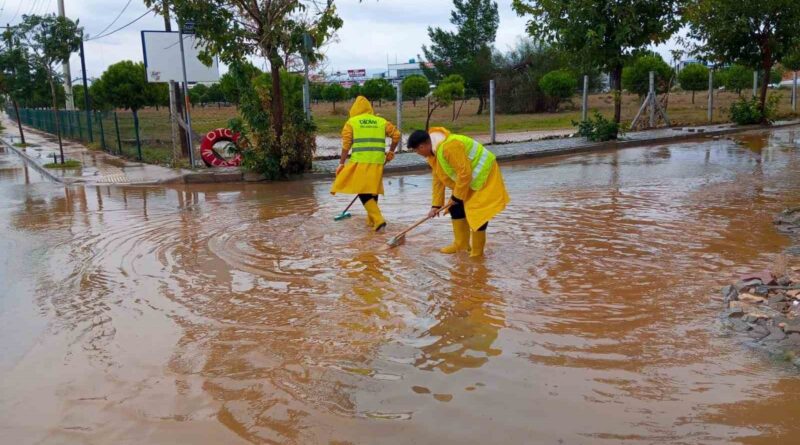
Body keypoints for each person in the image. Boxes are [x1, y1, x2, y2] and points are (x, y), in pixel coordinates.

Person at [406, 127, 509, 257]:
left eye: (416, 150)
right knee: (455, 208)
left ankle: (477, 253)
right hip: (468, 182)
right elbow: (438, 179)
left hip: (485, 176)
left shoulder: (450, 147)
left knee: (478, 215)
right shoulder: (433, 154)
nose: (417, 153)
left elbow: (464, 173)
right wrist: (436, 205)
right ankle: (461, 245)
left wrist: (457, 196)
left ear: (423, 146)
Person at [331, 95, 401, 232]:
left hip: (360, 161)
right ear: (369, 108)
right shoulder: (381, 121)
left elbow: (346, 145)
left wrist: (341, 163)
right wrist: (391, 151)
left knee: (362, 190)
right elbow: (397, 135)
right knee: (372, 188)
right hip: (378, 161)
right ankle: (371, 220)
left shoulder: (351, 122)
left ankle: (379, 219)